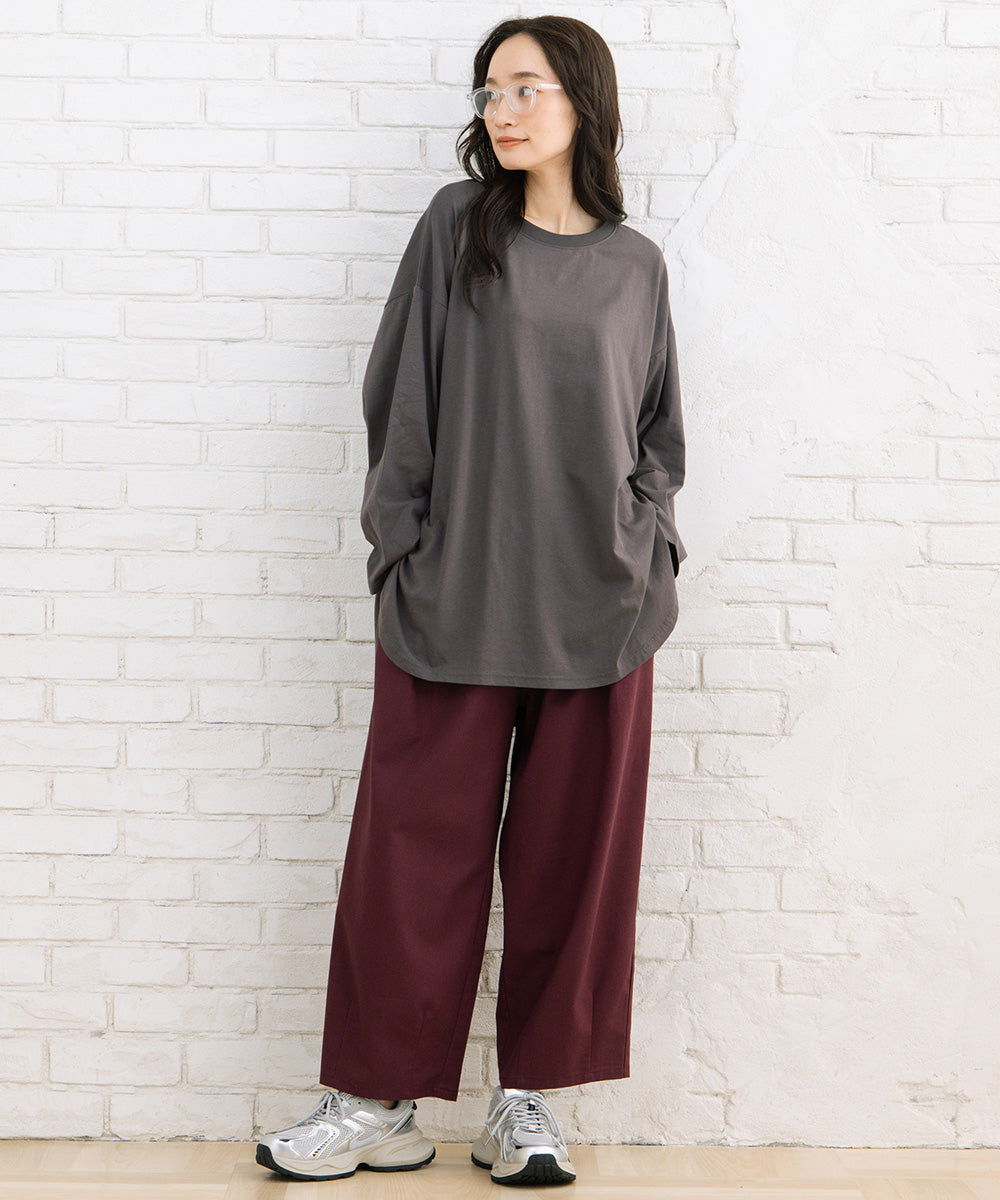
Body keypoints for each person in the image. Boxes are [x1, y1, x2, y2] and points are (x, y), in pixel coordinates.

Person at [256, 13, 687, 1189]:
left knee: (569, 868)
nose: (501, 110)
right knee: (408, 860)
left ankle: (526, 1102)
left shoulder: (637, 265)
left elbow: (657, 433)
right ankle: (375, 1103)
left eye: (526, 87)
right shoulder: (457, 229)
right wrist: (400, 550)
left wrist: (648, 544)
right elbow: (397, 396)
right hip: (452, 595)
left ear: (582, 102)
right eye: (490, 90)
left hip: (599, 612)